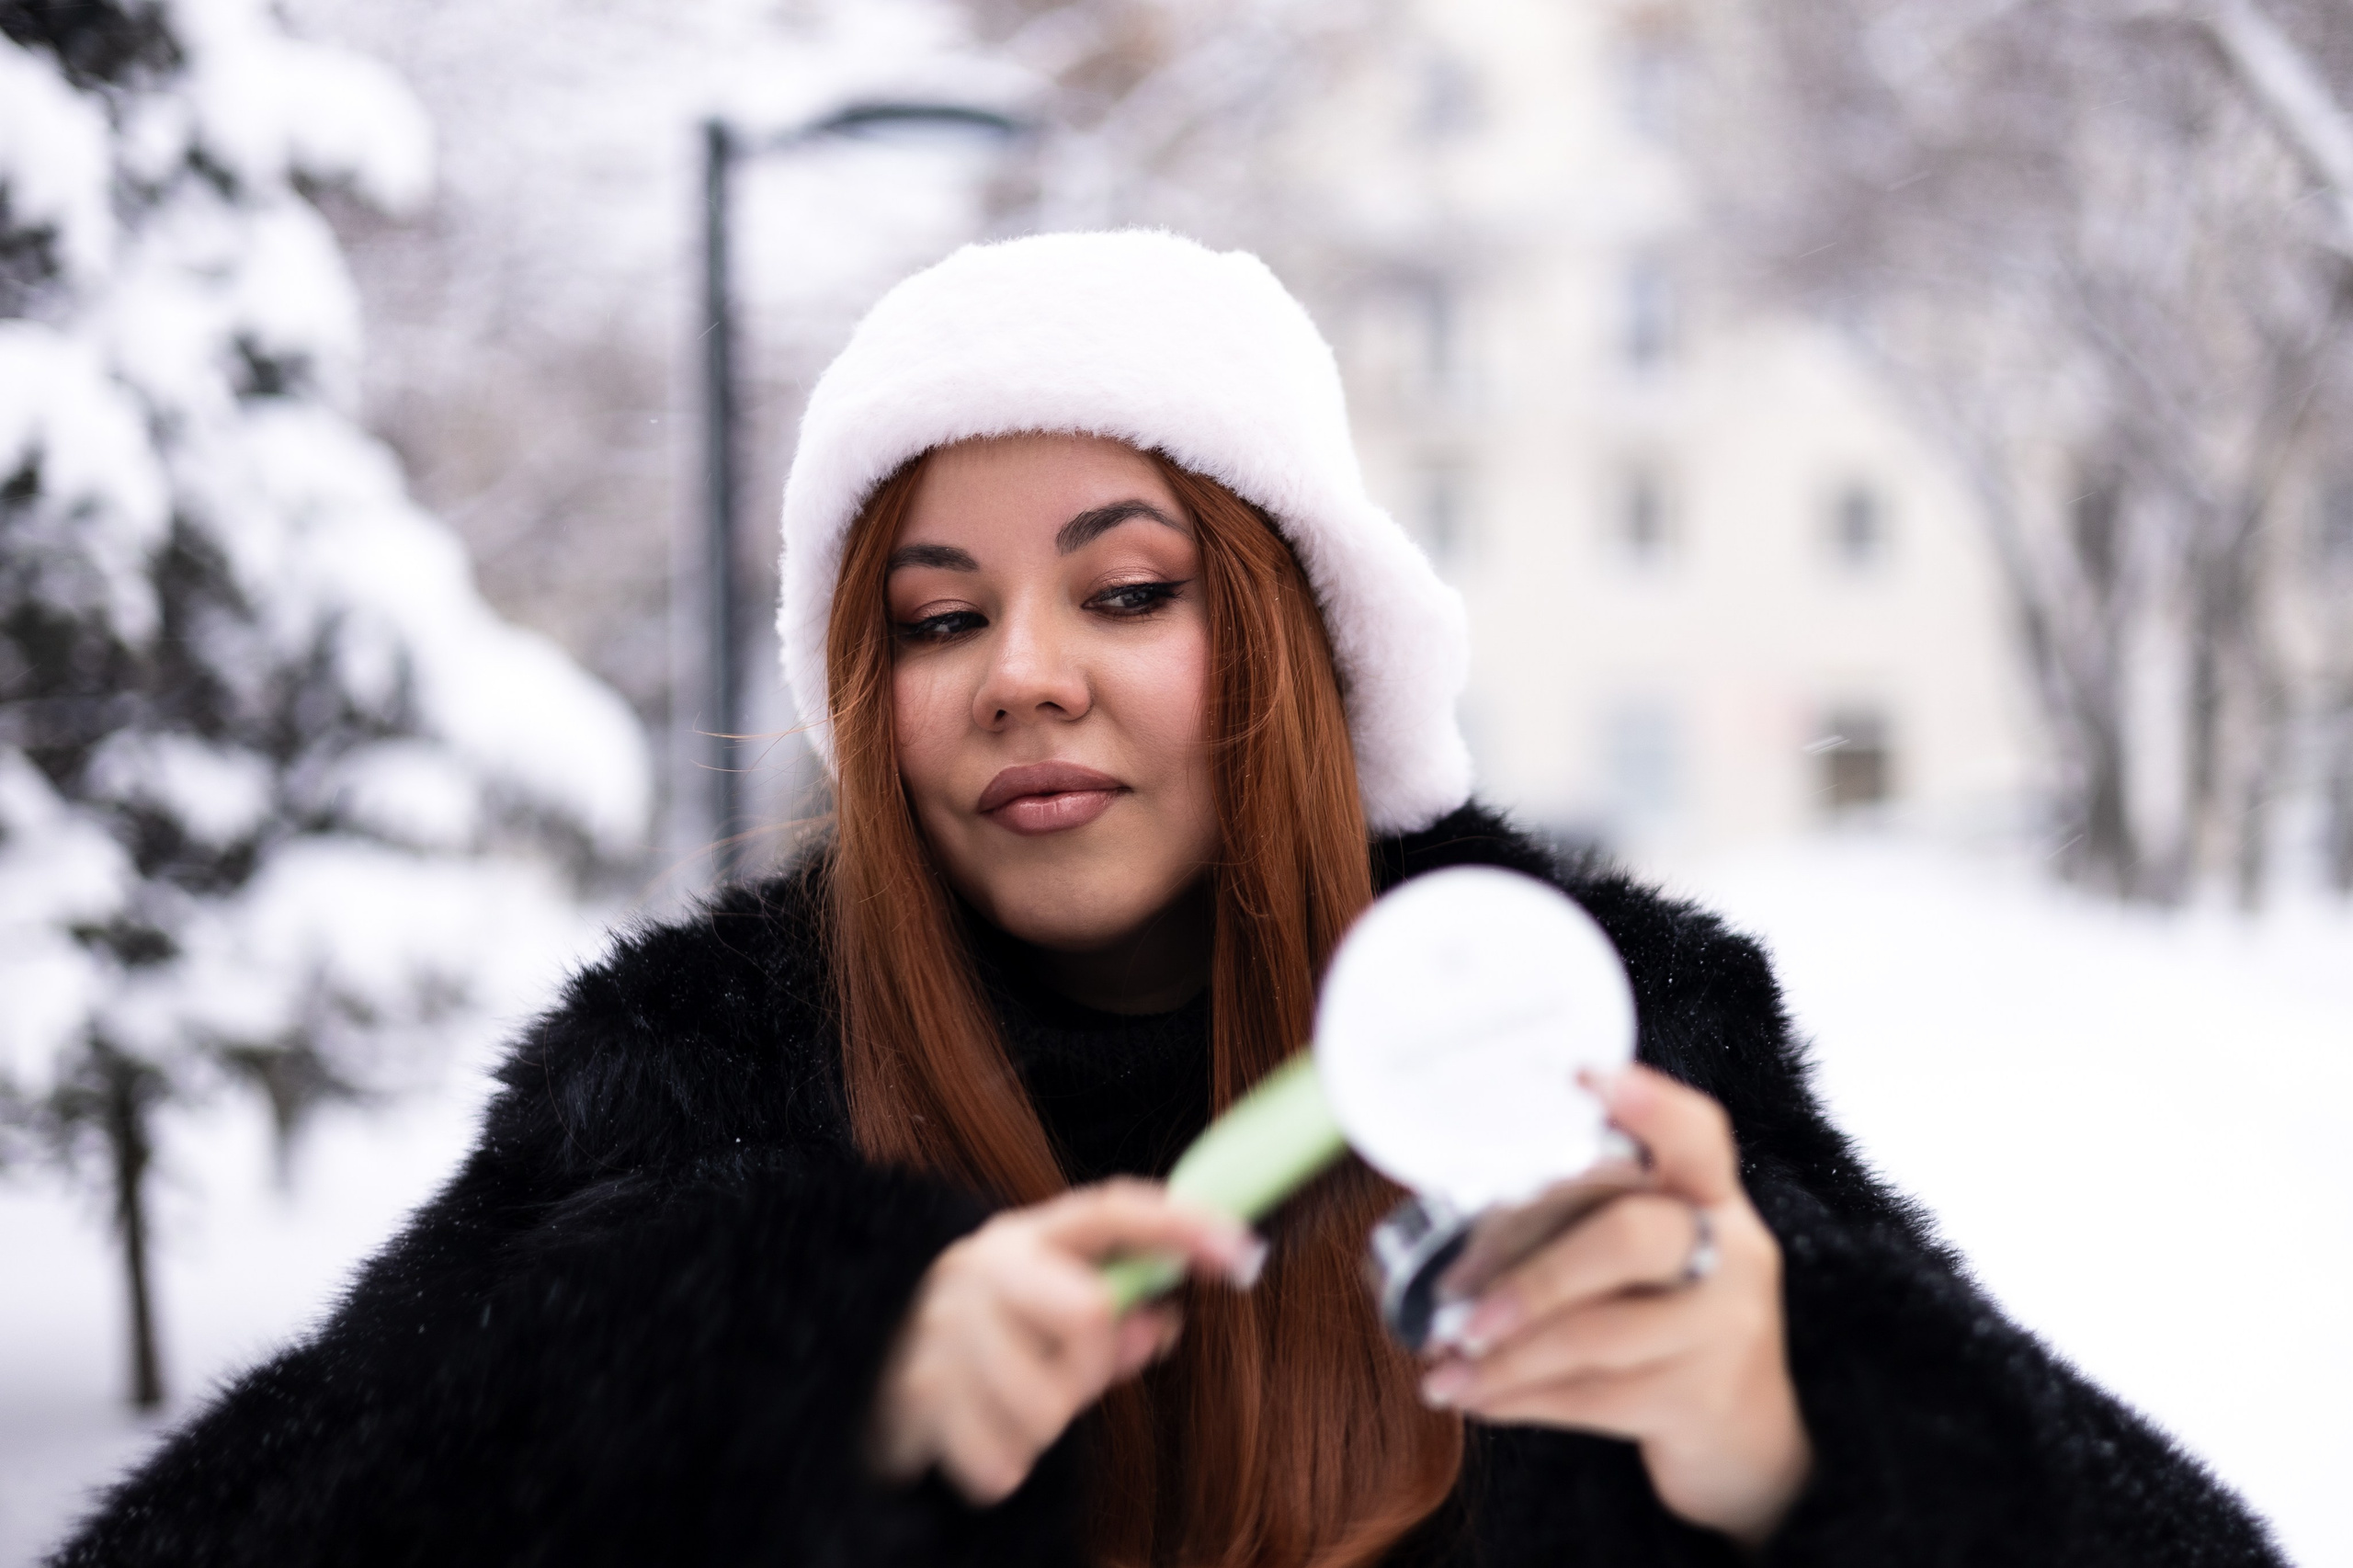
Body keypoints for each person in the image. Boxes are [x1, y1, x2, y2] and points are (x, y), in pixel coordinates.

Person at [58, 231, 2279, 1568]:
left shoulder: (1587, 1048)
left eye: (1123, 588)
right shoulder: (690, 1098)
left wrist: (1799, 1428)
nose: (1021, 670)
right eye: (933, 620)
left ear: (1297, 643)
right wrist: (767, 1375)